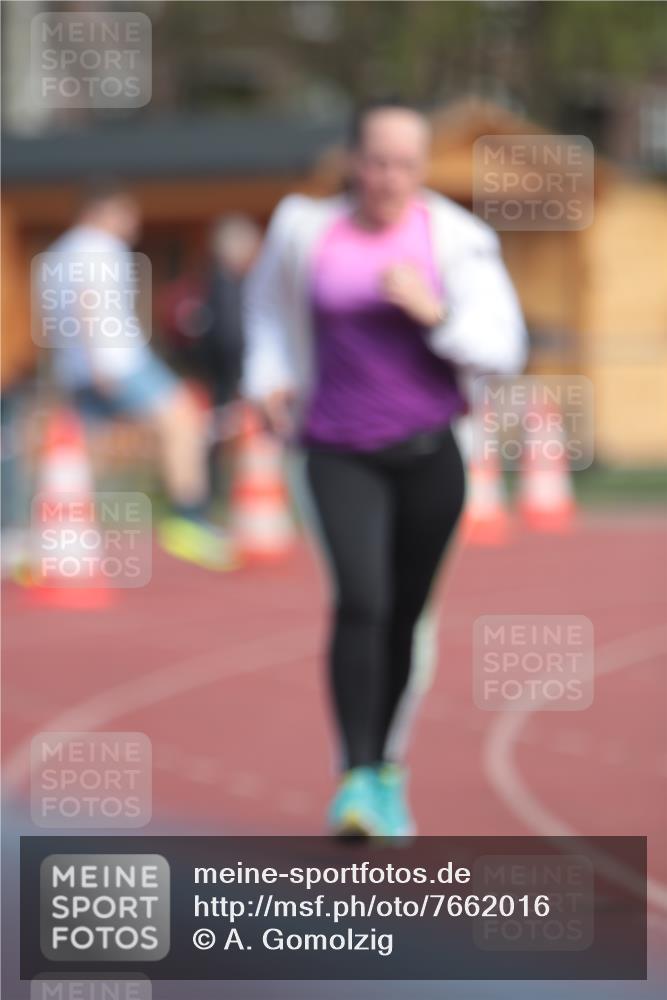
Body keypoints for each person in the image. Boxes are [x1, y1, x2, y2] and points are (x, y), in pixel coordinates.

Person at [242, 99, 527, 837]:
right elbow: (267, 316)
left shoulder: (458, 239)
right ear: (351, 161)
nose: (389, 177)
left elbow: (502, 349)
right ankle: (354, 778)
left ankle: (387, 772)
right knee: (361, 600)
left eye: (404, 163)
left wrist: (434, 313)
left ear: (421, 168)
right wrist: (266, 380)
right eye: (376, 161)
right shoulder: (304, 230)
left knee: (406, 615)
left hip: (432, 452)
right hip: (336, 447)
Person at [43, 180, 236, 570]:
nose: (132, 222)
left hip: (76, 366)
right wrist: (99, 360)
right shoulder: (99, 248)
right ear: (100, 211)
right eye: (125, 212)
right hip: (116, 360)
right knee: (183, 419)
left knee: (84, 455)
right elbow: (89, 301)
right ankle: (188, 519)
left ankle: (56, 537)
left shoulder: (56, 254)